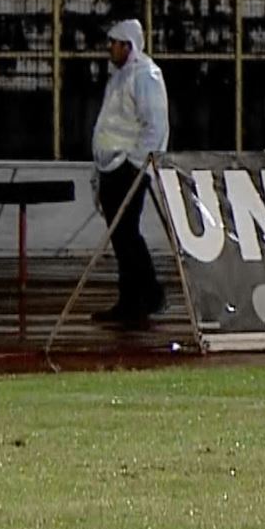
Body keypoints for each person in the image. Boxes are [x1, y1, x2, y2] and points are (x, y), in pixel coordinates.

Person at [91, 19, 169, 328]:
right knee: (122, 237)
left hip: (128, 166)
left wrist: (137, 163)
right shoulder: (121, 76)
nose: (110, 48)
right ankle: (133, 299)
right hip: (112, 165)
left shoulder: (145, 76)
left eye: (115, 42)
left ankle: (147, 296)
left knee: (126, 235)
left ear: (129, 46)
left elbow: (156, 126)